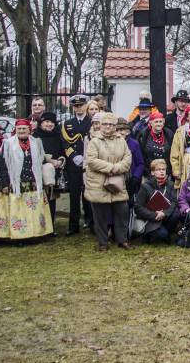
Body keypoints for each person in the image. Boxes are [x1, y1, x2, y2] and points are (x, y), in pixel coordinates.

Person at [84, 112, 133, 251]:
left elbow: (127, 158)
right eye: (105, 124)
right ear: (100, 125)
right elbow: (91, 160)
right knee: (100, 214)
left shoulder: (121, 140)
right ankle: (103, 242)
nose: (108, 127)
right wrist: (110, 167)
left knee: (122, 211)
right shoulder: (95, 141)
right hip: (99, 182)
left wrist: (118, 168)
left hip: (117, 181)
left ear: (114, 126)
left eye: (111, 124)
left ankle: (122, 240)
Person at [0, 119, 55, 241]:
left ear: (30, 130)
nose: (22, 131)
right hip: (17, 183)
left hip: (34, 182)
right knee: (20, 211)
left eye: (24, 128)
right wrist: (5, 183)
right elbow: (3, 165)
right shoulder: (8, 144)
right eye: (19, 129)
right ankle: (20, 237)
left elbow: (41, 160)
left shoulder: (36, 143)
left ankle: (37, 234)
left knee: (35, 210)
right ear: (15, 130)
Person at [61, 94, 93, 236]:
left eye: (81, 105)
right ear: (73, 107)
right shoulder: (67, 123)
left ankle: (91, 223)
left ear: (86, 105)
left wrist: (85, 158)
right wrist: (73, 156)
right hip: (73, 164)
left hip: (88, 164)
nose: (79, 108)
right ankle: (73, 226)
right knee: (74, 196)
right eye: (76, 106)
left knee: (88, 195)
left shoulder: (92, 122)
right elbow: (64, 142)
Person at [134, 159, 179, 244]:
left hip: (164, 215)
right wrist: (155, 215)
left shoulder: (169, 184)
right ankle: (147, 235)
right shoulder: (145, 186)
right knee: (162, 235)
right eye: (158, 170)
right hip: (151, 218)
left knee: (175, 216)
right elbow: (138, 206)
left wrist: (164, 213)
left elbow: (174, 203)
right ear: (152, 172)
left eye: (163, 169)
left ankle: (167, 234)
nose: (161, 172)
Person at [33, 112, 65, 224]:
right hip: (39, 172)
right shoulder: (35, 136)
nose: (49, 124)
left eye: (51, 122)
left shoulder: (57, 135)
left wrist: (60, 160)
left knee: (51, 199)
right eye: (46, 121)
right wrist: (49, 160)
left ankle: (51, 224)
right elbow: (34, 154)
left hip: (54, 173)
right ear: (41, 123)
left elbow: (63, 150)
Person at [137, 112, 173, 178]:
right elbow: (141, 154)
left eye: (160, 121)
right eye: (156, 122)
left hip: (166, 171)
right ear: (151, 123)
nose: (158, 124)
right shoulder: (143, 135)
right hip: (149, 172)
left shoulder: (169, 134)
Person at [117, 119, 145, 202]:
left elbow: (140, 163)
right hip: (116, 179)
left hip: (131, 180)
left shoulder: (134, 143)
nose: (119, 133)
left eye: (121, 130)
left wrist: (136, 177)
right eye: (117, 130)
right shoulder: (112, 144)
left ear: (127, 132)